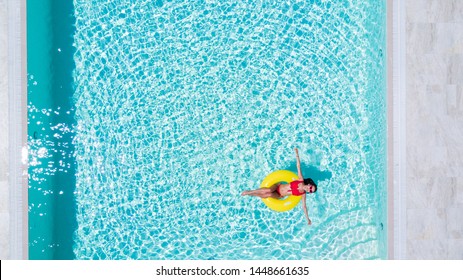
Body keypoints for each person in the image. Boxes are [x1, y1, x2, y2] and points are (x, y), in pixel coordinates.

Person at [241, 148, 317, 225]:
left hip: (279, 195)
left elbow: (304, 207)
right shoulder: (300, 180)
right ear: (309, 184)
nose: (309, 189)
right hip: (278, 186)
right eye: (311, 187)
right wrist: (296, 154)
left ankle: (251, 194)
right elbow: (298, 166)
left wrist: (308, 219)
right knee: (269, 191)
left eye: (310, 191)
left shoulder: (303, 194)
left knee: (269, 194)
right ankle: (250, 192)